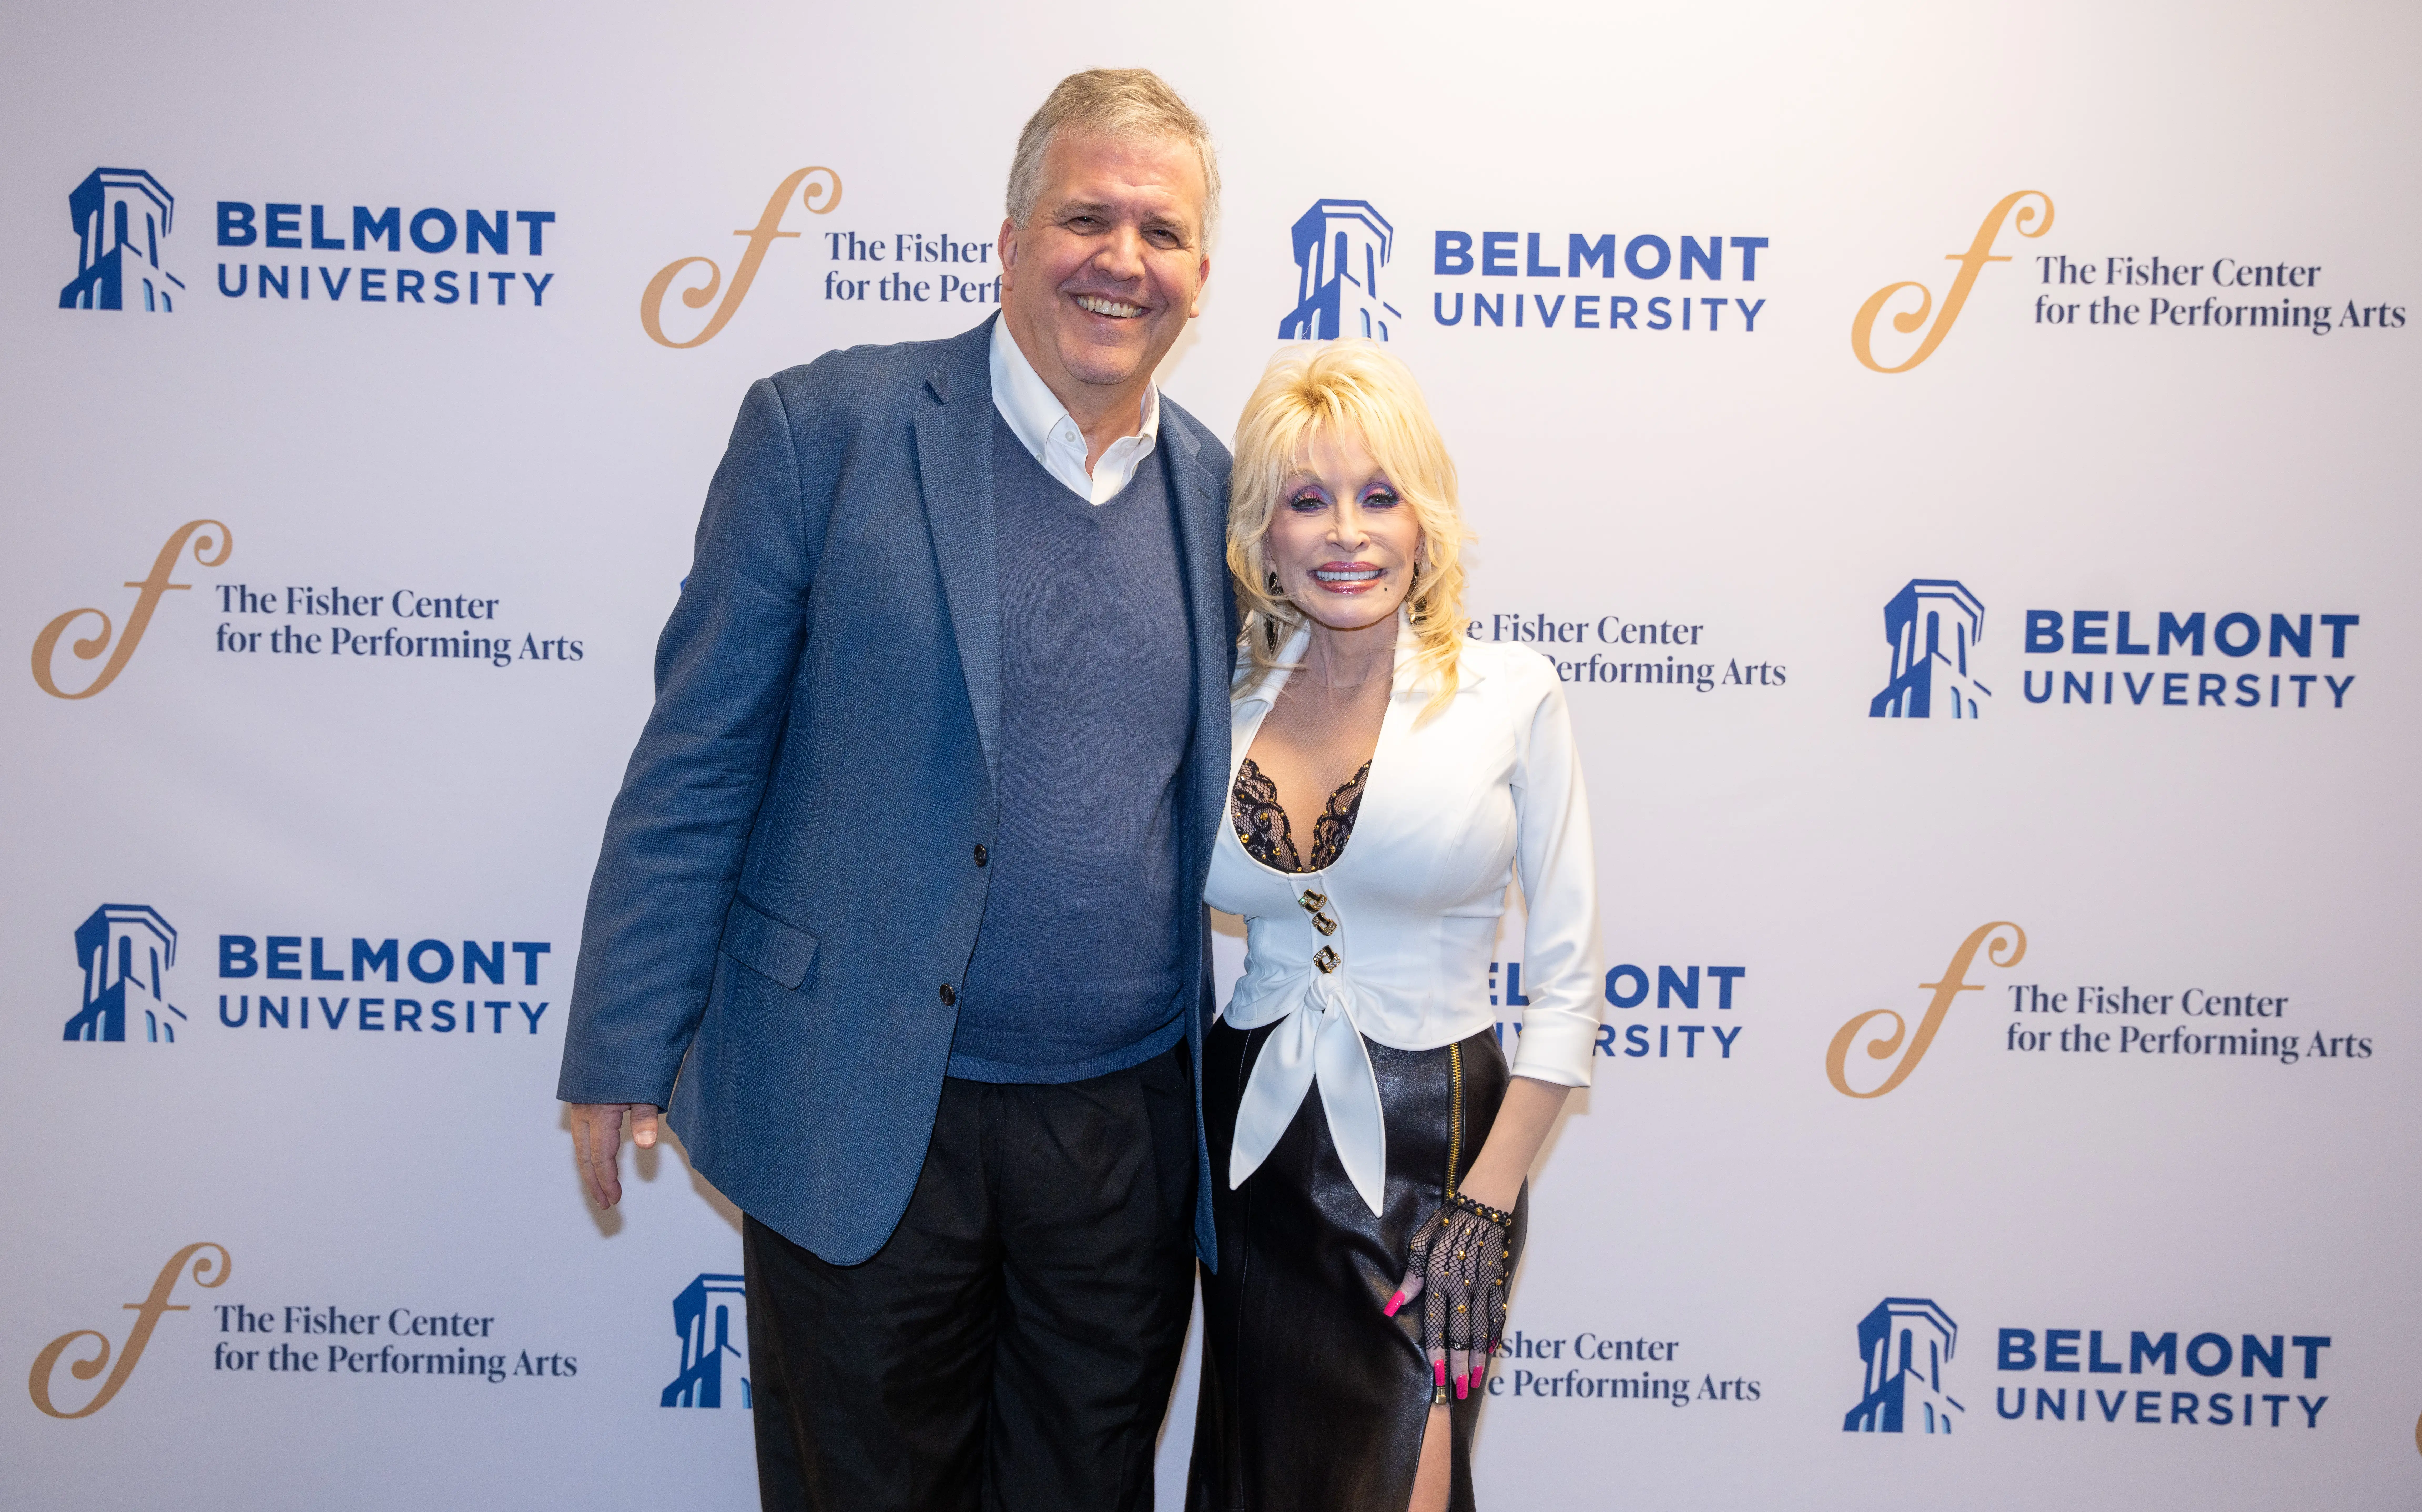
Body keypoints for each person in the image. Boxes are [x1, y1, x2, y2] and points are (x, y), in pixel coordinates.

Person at [556, 69, 1236, 1512]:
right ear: (1009, 240)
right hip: (861, 1103)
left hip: (1119, 1143)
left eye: (1162, 233)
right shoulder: (827, 429)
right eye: (1087, 218)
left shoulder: (1213, 491)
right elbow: (698, 756)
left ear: (1200, 274)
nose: (1122, 260)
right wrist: (621, 1040)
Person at [1187, 342, 1604, 1512]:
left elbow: (1569, 987)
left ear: (1425, 519)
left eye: (1379, 496)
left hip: (1438, 1148)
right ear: (1264, 536)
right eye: (1306, 501)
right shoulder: (1223, 703)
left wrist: (1488, 1201)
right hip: (1252, 1151)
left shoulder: (1508, 694)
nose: (1346, 534)